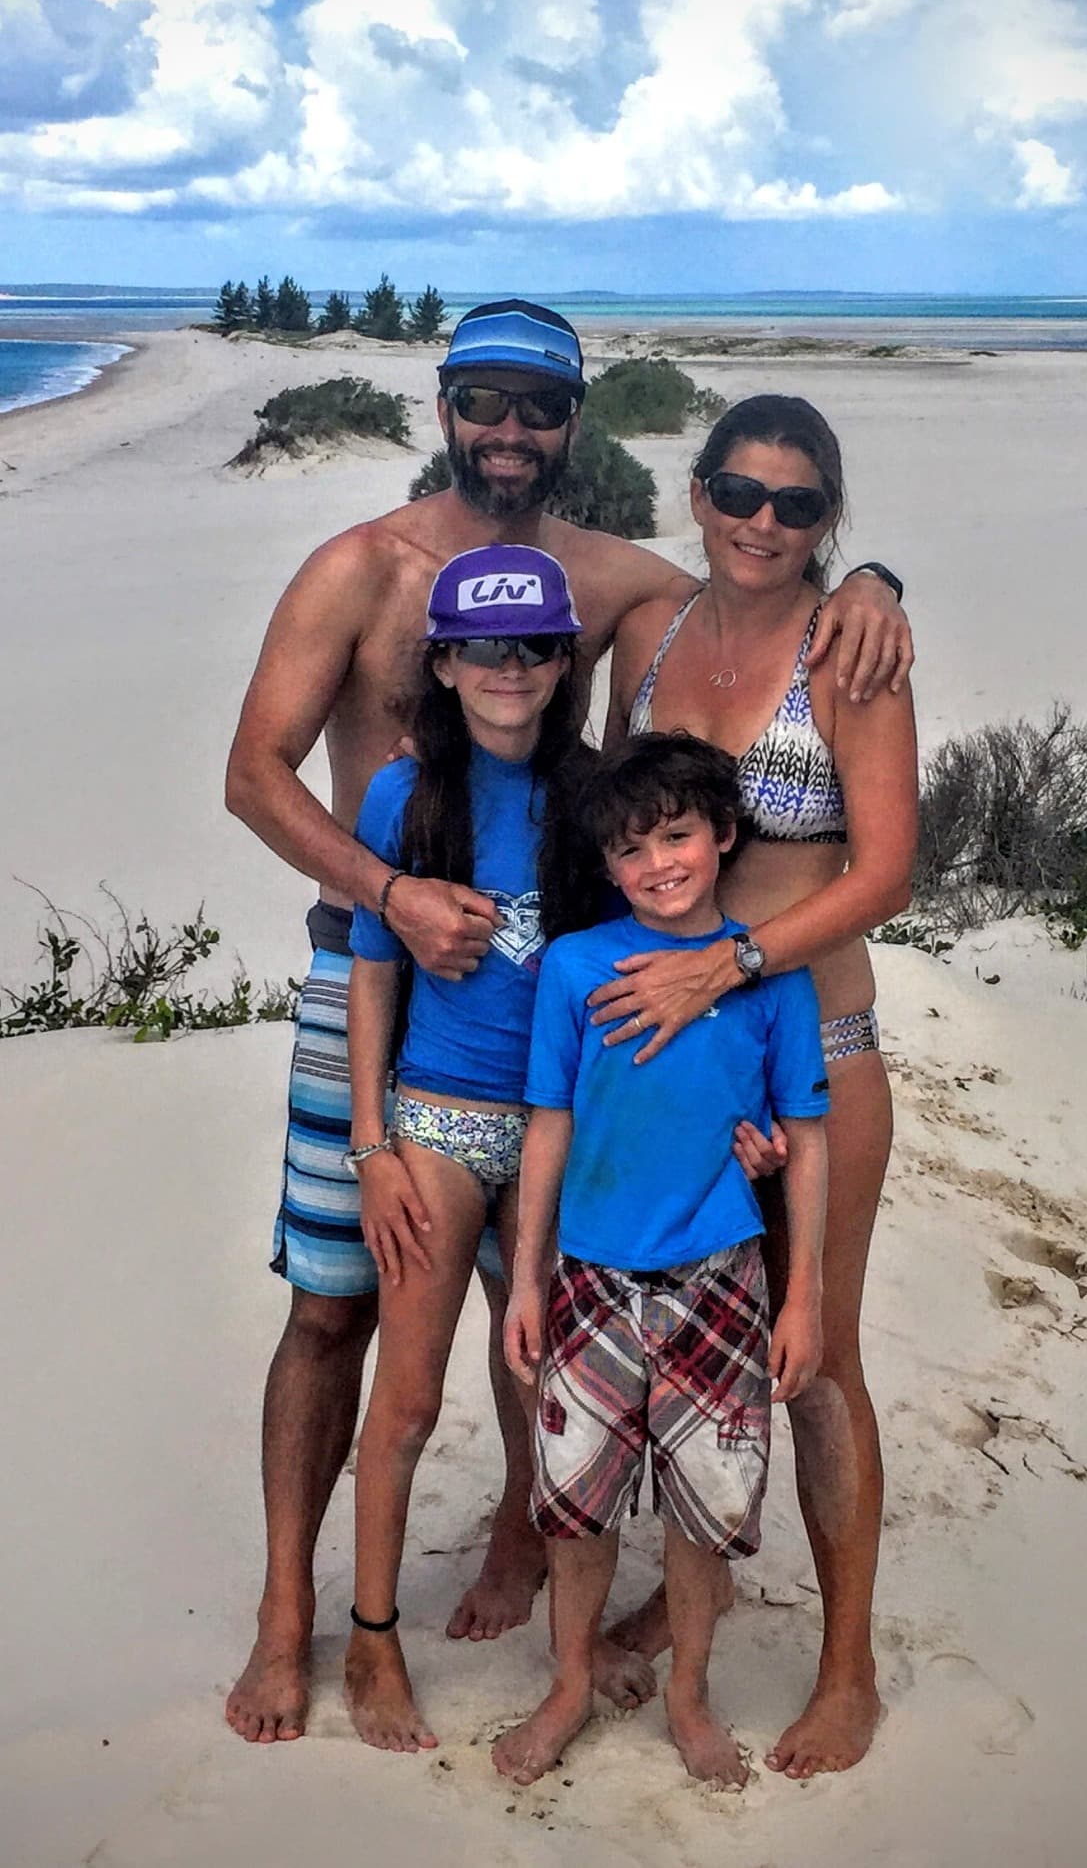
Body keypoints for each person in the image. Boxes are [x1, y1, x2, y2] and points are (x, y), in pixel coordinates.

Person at [223, 298, 912, 1744]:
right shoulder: (372, 571)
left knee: (626, 1319)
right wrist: (389, 895)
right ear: (446, 404)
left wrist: (880, 580)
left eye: (541, 407)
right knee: (339, 1311)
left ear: (575, 425)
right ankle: (302, 1618)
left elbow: (784, 628)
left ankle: (566, 1553)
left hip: (658, 1032)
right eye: (488, 402)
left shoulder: (611, 585)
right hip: (393, 994)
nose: (513, 431)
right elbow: (255, 775)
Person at [598, 395, 919, 1778]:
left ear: (828, 517)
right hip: (675, 1055)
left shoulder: (854, 651)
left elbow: (885, 870)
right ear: (699, 490)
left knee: (815, 1361)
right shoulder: (650, 628)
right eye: (738, 489)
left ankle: (848, 1668)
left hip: (814, 1053)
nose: (762, 521)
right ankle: (691, 1600)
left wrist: (728, 962)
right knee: (678, 1338)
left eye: (797, 504)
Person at [497, 734, 829, 1788]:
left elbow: (802, 1135)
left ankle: (688, 1693)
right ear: (606, 864)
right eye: (632, 849)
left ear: (724, 834)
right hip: (588, 1276)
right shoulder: (575, 965)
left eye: (679, 835)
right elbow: (546, 1120)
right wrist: (525, 1275)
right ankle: (567, 1682)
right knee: (577, 1504)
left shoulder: (773, 976)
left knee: (704, 1511)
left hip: (721, 1278)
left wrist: (804, 1290)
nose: (659, 864)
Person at [342, 545, 607, 1751]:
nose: (511, 669)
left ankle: (537, 1576)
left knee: (543, 1388)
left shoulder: (597, 800)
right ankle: (372, 1630)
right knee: (402, 1401)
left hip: (555, 1127)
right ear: (444, 663)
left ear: (565, 661)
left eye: (536, 646)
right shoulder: (403, 797)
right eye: (485, 648)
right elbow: (373, 971)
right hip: (439, 1121)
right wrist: (372, 1144)